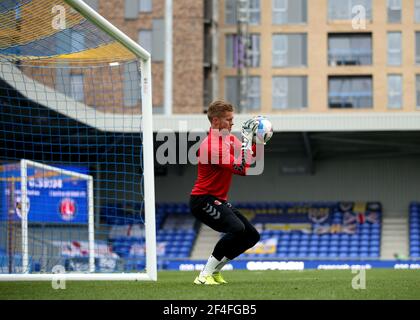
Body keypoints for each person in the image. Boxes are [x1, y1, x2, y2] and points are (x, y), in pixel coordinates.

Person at [189, 100, 262, 285]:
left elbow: (249, 159)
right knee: (236, 229)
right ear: (215, 121)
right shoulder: (212, 147)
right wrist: (250, 142)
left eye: (232, 119)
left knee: (252, 235)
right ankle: (204, 276)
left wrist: (255, 142)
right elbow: (241, 168)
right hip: (202, 200)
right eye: (229, 120)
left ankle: (215, 271)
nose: (232, 123)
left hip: (217, 199)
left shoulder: (228, 138)